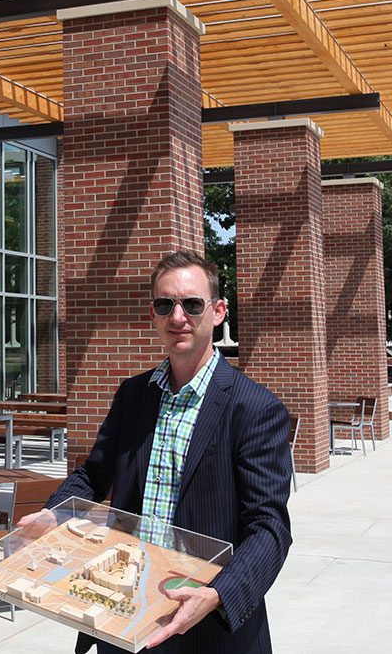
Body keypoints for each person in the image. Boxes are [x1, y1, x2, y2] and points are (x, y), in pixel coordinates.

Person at [19, 250, 292, 653]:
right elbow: (93, 475)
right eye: (165, 305)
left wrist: (218, 595)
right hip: (124, 616)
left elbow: (269, 528)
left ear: (217, 312)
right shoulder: (134, 395)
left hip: (207, 627)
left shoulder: (255, 408)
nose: (177, 317)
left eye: (192, 304)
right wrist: (54, 513)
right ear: (153, 314)